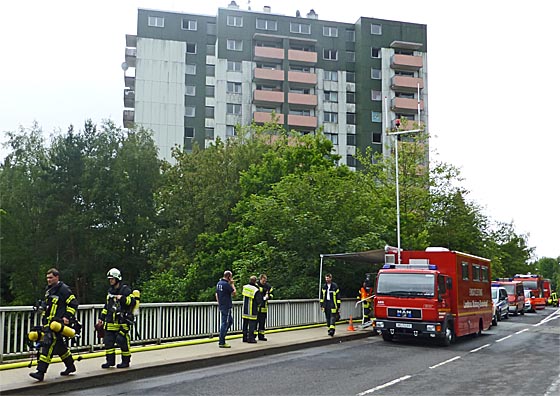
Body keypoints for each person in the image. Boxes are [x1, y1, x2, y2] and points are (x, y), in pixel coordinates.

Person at [29, 268, 79, 381]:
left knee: (48, 345)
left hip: (56, 324)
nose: (48, 280)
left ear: (57, 277)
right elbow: (48, 306)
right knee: (60, 347)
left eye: (51, 277)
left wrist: (66, 317)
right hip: (48, 324)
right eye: (47, 278)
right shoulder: (49, 290)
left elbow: (73, 303)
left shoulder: (64, 290)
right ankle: (70, 366)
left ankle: (40, 372)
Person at [97, 268, 135, 369]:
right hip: (110, 321)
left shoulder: (125, 289)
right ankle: (110, 361)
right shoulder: (110, 291)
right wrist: (101, 318)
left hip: (122, 321)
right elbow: (107, 306)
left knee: (122, 341)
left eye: (112, 279)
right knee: (108, 342)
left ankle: (125, 362)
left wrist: (121, 298)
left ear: (117, 279)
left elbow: (131, 302)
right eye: (109, 279)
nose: (110, 281)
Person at [216, 270, 236, 348]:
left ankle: (222, 335)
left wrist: (219, 303)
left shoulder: (219, 283)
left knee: (230, 321)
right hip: (226, 306)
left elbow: (216, 294)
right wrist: (232, 284)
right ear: (229, 277)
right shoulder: (226, 284)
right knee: (225, 323)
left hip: (222, 305)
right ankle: (222, 340)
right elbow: (234, 293)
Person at [242, 275, 264, 343]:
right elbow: (259, 300)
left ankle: (244, 337)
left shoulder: (245, 287)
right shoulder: (255, 289)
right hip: (252, 309)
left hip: (245, 309)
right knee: (252, 324)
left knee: (245, 324)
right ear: (255, 281)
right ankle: (251, 338)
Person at [256, 274, 273, 341]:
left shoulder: (268, 286)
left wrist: (268, 297)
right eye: (263, 280)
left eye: (265, 281)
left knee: (262, 322)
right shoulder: (256, 285)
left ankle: (261, 335)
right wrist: (264, 291)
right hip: (256, 307)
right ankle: (253, 336)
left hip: (264, 307)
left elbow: (271, 294)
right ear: (260, 279)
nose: (264, 282)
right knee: (255, 322)